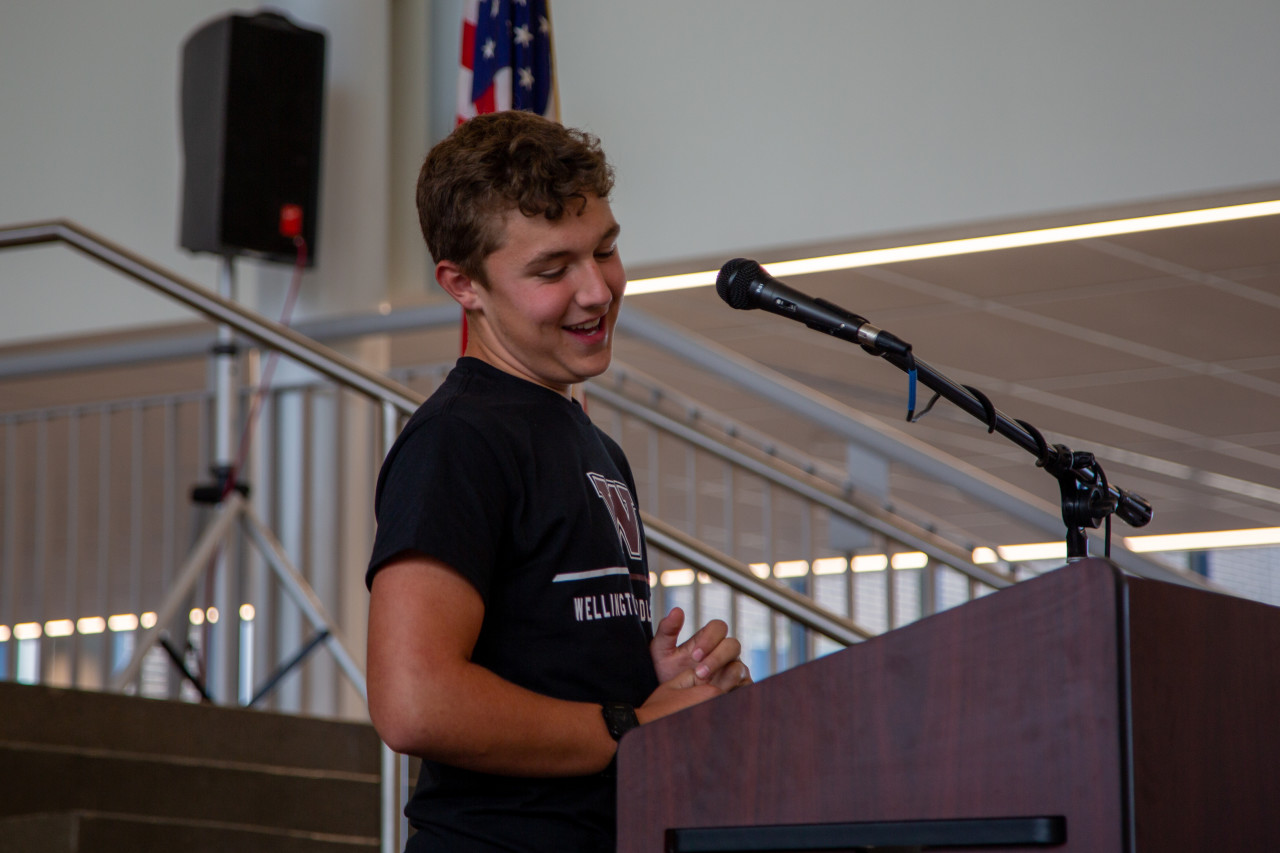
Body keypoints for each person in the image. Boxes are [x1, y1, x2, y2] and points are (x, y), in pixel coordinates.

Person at [365, 110, 751, 852]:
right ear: (462, 284)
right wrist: (630, 723)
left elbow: (545, 662)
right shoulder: (458, 438)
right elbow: (414, 701)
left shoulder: (592, 440)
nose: (597, 290)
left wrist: (653, 684)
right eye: (551, 270)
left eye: (604, 250)